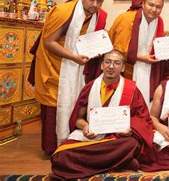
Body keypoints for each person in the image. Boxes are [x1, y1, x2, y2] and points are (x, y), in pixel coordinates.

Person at [29, 0, 107, 155]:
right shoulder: (64, 11)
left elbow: (92, 40)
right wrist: (73, 57)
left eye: (99, 1)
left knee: (74, 103)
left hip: (77, 68)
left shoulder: (99, 16)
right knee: (53, 104)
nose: (94, 4)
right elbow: (49, 42)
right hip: (54, 65)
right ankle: (52, 148)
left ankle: (69, 143)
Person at [50, 50, 154, 179]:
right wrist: (85, 127)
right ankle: (120, 162)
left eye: (116, 63)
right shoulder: (90, 87)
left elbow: (143, 119)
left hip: (117, 139)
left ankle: (104, 162)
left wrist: (130, 131)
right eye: (108, 62)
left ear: (122, 68)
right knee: (60, 156)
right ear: (101, 65)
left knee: (131, 144)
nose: (111, 66)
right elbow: (78, 119)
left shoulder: (131, 89)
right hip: (92, 137)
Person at [108, 0, 169, 107]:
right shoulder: (127, 19)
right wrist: (142, 58)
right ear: (143, 4)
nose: (154, 9)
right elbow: (118, 50)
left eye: (158, 7)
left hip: (148, 66)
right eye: (151, 5)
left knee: (145, 102)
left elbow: (157, 45)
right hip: (127, 67)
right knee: (125, 101)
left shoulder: (159, 21)